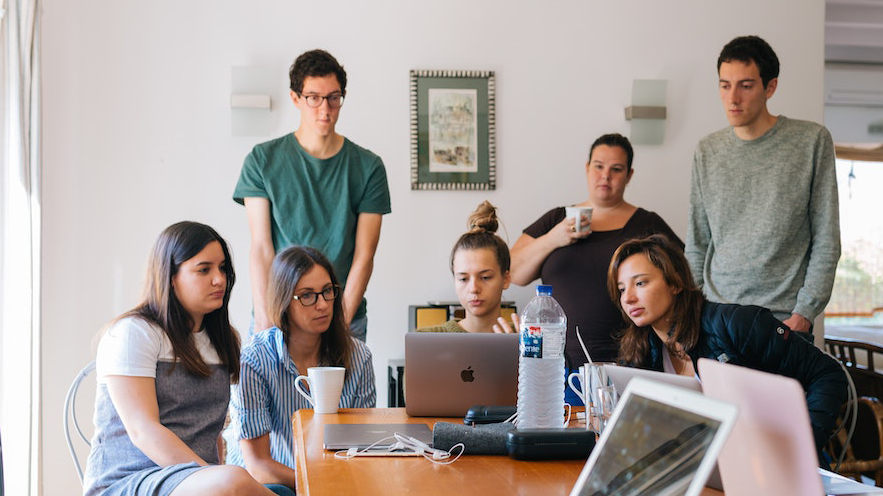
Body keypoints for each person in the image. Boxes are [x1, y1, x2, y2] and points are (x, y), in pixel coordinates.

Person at [609, 234, 847, 459]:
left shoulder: (738, 324)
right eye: (621, 289)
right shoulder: (639, 350)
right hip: (706, 467)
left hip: (769, 464)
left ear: (675, 284)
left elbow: (827, 373)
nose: (628, 298)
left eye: (640, 283)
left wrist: (802, 446)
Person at [83, 222, 274, 496]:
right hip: (129, 481)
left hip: (199, 481)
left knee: (268, 486)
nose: (219, 279)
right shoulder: (133, 333)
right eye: (204, 269)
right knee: (235, 481)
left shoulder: (223, 339)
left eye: (222, 268)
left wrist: (215, 476)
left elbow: (213, 433)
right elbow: (143, 431)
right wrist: (215, 477)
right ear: (171, 276)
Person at [233, 49, 392, 343]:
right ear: (296, 98)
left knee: (343, 391)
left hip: (343, 315)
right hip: (280, 315)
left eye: (334, 97)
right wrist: (266, 321)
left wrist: (340, 324)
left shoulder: (368, 167)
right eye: (314, 98)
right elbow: (261, 248)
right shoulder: (262, 161)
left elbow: (364, 256)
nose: (325, 109)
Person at [687, 35, 840, 334]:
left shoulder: (810, 141)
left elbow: (826, 239)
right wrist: (695, 309)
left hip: (783, 321)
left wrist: (804, 313)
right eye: (724, 85)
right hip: (717, 317)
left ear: (770, 87)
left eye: (745, 85)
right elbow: (697, 243)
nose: (733, 98)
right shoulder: (707, 150)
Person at [510, 133, 682, 395]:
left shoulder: (647, 224)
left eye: (616, 169)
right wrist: (553, 239)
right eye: (599, 167)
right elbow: (513, 273)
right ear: (587, 168)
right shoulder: (557, 218)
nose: (606, 176)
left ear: (629, 175)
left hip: (631, 364)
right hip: (557, 367)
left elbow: (681, 281)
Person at [228, 246, 375, 493]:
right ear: (284, 301)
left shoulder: (359, 356)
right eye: (307, 295)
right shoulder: (254, 360)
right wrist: (318, 484)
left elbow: (361, 448)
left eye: (328, 292)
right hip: (267, 486)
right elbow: (258, 466)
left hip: (334, 482)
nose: (322, 305)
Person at [417, 201, 515, 333]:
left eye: (485, 277)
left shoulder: (528, 341)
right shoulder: (425, 339)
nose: (474, 289)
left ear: (506, 279)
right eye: (463, 279)